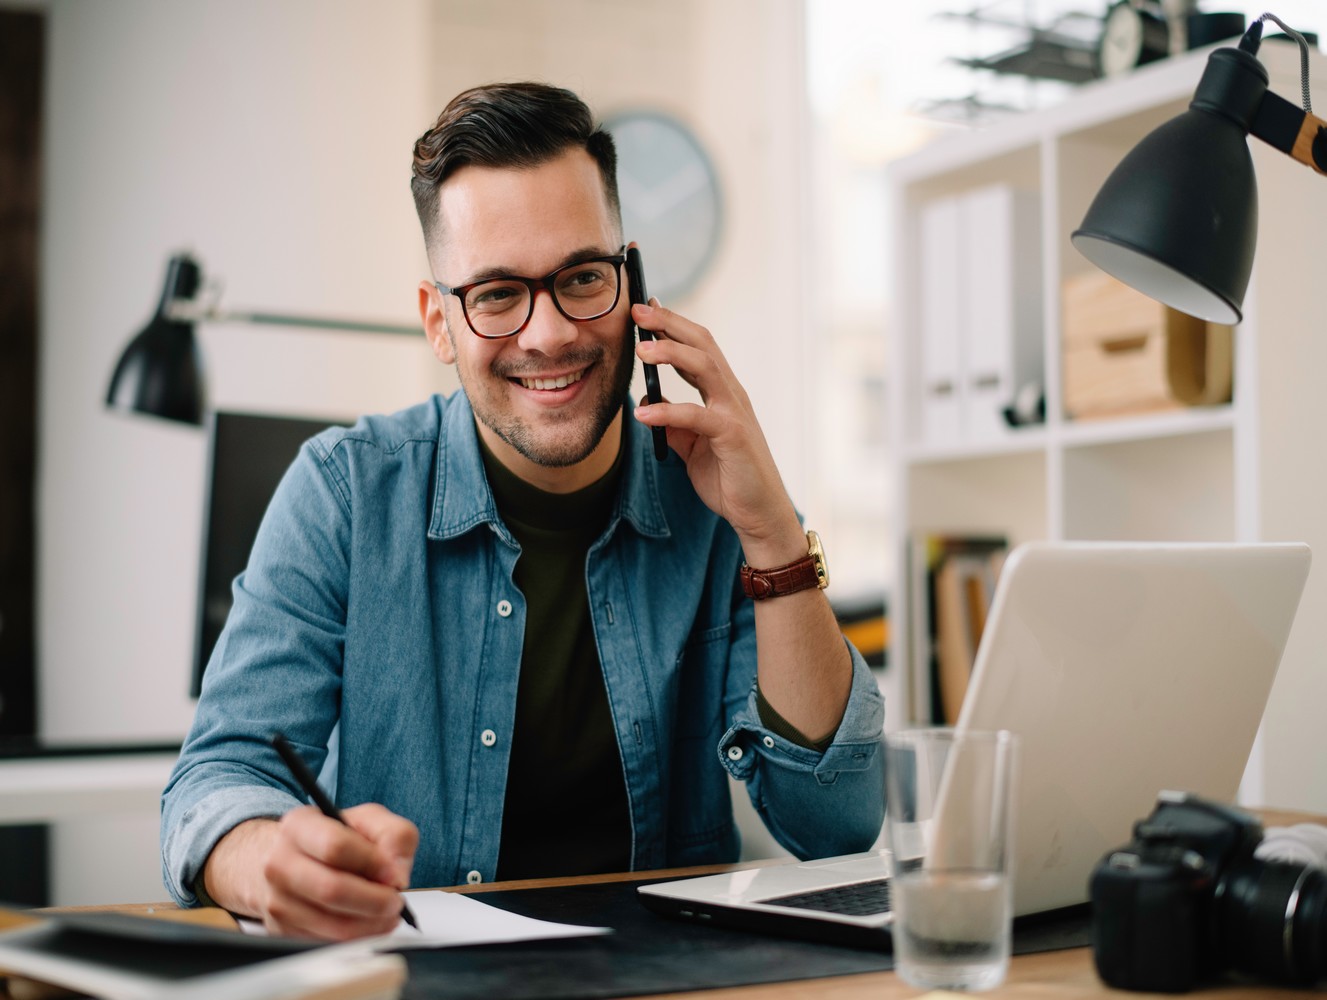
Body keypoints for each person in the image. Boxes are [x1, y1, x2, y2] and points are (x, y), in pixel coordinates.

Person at [160, 82, 885, 941]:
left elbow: (834, 825)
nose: (547, 335)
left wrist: (771, 537)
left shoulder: (721, 497)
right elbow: (217, 780)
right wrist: (267, 862)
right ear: (439, 322)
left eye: (582, 277)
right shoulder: (342, 492)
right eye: (497, 294)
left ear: (632, 284)